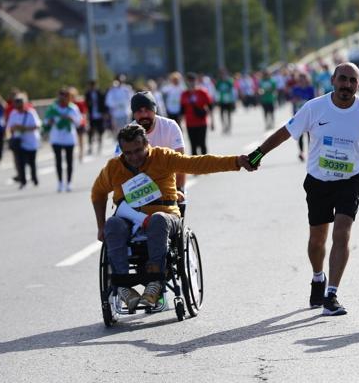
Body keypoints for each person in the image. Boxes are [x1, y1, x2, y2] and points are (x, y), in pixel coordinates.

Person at [247, 62, 359, 316]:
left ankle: (331, 295)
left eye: (352, 81)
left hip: (350, 181)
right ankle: (317, 277)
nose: (346, 85)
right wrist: (258, 154)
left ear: (358, 85)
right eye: (342, 79)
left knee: (342, 233)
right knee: (317, 239)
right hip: (318, 182)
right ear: (333, 80)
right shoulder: (314, 108)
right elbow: (286, 132)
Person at [91, 124, 254, 310]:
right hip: (129, 222)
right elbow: (98, 193)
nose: (134, 157)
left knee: (157, 219)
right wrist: (100, 226)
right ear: (122, 151)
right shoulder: (113, 167)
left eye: (138, 150)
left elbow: (198, 163)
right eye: (128, 153)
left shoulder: (163, 157)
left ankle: (155, 283)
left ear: (147, 144)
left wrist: (236, 162)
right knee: (113, 224)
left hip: (165, 218)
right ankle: (123, 287)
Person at [115, 91, 188, 198]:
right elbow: (118, 168)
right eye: (139, 111)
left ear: (155, 110)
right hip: (139, 191)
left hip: (169, 187)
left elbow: (180, 163)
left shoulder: (170, 126)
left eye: (148, 110)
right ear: (133, 114)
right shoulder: (126, 133)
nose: (144, 115)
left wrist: (179, 190)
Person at [44, 87, 82, 192]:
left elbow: (78, 122)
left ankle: (69, 182)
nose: (62, 99)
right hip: (56, 138)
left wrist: (71, 119)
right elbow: (45, 121)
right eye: (61, 96)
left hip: (69, 138)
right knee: (58, 161)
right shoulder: (52, 109)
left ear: (68, 97)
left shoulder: (73, 108)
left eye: (65, 96)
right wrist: (49, 121)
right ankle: (60, 182)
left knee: (69, 161)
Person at [6, 92, 41, 189]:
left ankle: (34, 178)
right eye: (16, 102)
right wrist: (14, 130)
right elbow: (9, 127)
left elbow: (36, 126)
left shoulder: (30, 113)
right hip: (19, 142)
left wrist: (23, 128)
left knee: (31, 162)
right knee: (20, 162)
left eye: (19, 102)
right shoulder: (13, 113)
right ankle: (23, 181)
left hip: (31, 141)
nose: (17, 105)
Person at [181, 72, 213, 155]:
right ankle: (195, 166)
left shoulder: (202, 92)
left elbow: (210, 107)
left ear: (196, 81)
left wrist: (212, 122)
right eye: (188, 81)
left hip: (201, 123)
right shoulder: (184, 94)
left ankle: (205, 164)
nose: (190, 83)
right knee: (193, 146)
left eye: (192, 80)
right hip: (190, 124)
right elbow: (182, 111)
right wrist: (180, 125)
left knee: (202, 144)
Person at [290, 73, 315, 161]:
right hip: (298, 114)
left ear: (306, 79)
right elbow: (292, 101)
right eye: (299, 79)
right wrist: (293, 114)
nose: (301, 81)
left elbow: (314, 101)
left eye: (303, 79)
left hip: (309, 115)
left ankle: (310, 152)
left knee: (309, 135)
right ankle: (301, 152)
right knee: (300, 135)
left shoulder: (310, 88)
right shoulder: (295, 89)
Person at [84, 80, 107, 155]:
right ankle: (90, 147)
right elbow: (86, 104)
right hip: (91, 115)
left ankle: (99, 145)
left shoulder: (99, 93)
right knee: (90, 132)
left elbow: (103, 103)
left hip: (99, 115)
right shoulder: (88, 94)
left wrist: (104, 113)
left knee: (100, 131)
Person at [69, 86, 88, 162]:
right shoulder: (69, 104)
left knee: (81, 139)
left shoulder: (79, 103)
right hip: (72, 124)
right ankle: (72, 154)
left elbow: (84, 113)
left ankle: (81, 153)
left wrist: (84, 121)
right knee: (73, 139)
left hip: (80, 123)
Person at [215, 69, 237, 134]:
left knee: (229, 114)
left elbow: (232, 90)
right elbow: (217, 91)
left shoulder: (229, 81)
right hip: (221, 100)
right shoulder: (219, 82)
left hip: (229, 100)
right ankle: (224, 126)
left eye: (224, 74)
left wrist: (234, 100)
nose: (223, 76)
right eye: (221, 74)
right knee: (221, 114)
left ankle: (229, 127)